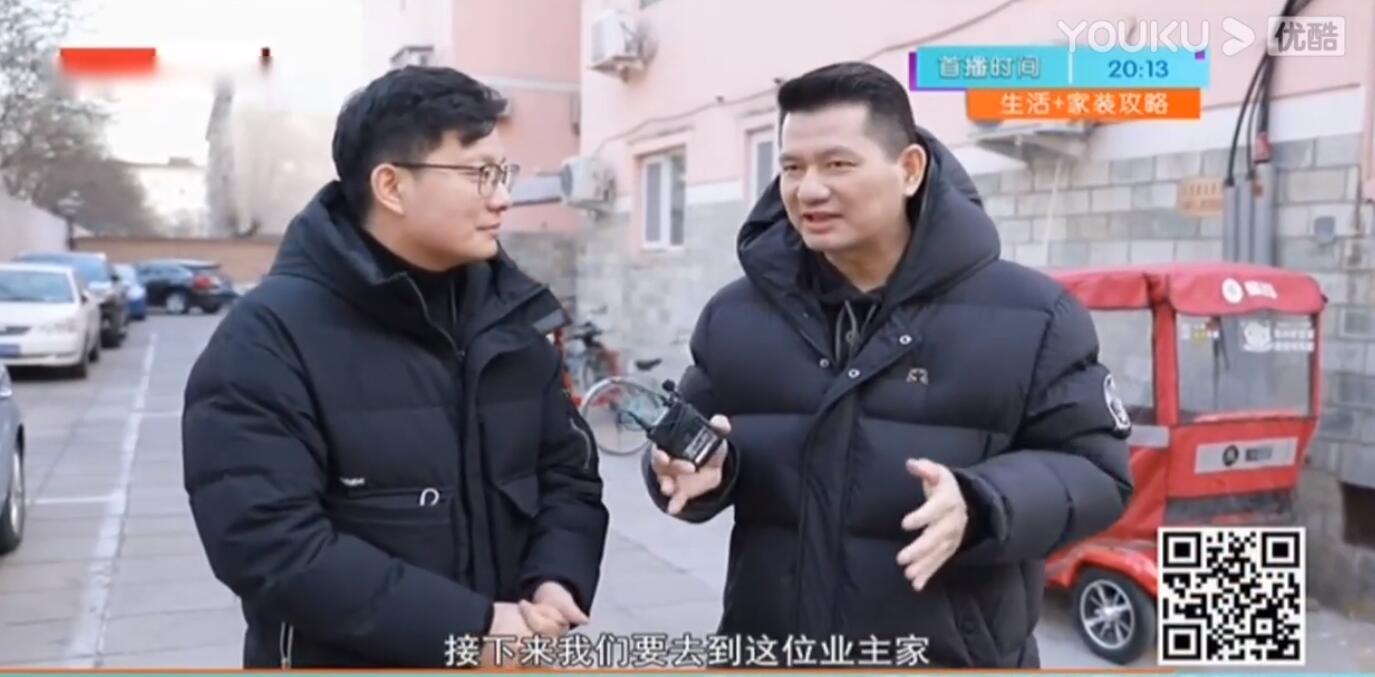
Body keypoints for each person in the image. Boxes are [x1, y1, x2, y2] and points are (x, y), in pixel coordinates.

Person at [644, 61, 1133, 668]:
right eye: (792, 168)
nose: (808, 190)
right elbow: (693, 446)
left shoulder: (1035, 316)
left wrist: (985, 503)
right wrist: (689, 471)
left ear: (909, 170)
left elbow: (1097, 472)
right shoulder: (736, 315)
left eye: (837, 164)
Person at [182, 66, 609, 668]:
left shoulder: (510, 321)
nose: (502, 197)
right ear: (391, 186)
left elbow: (567, 474)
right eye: (478, 174)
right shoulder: (268, 338)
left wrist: (556, 582)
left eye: (502, 173)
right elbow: (267, 543)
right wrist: (472, 631)